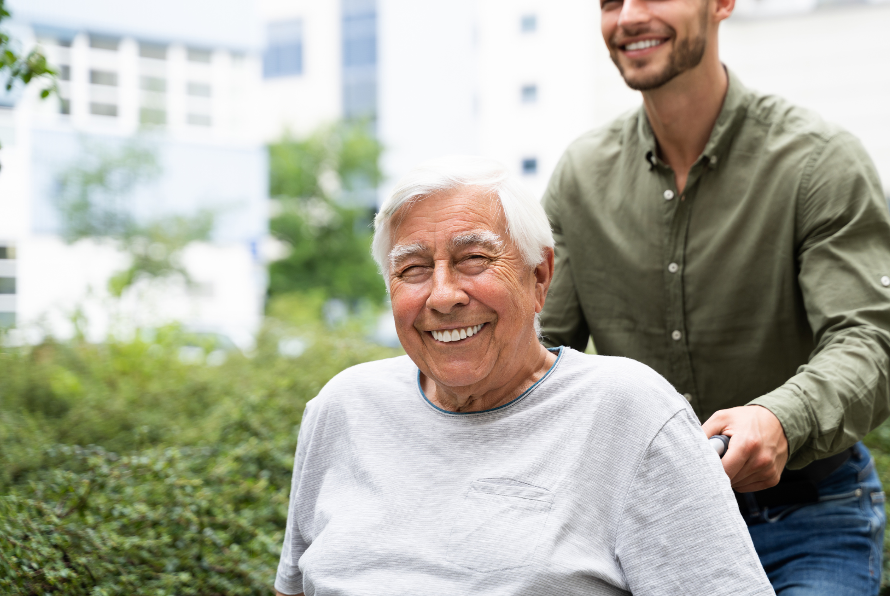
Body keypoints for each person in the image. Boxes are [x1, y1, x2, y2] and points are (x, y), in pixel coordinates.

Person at [540, 0, 890, 595]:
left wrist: (780, 419)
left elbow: (871, 343)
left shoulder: (817, 162)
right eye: (610, 0)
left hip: (809, 514)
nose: (629, 17)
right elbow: (541, 354)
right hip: (644, 520)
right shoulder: (579, 176)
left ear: (722, 0)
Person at [273, 157, 775, 596]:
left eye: (474, 259)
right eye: (414, 269)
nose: (443, 295)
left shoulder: (628, 411)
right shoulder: (342, 408)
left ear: (539, 278)